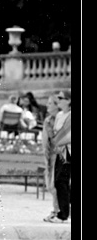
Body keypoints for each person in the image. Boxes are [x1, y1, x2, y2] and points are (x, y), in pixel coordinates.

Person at [48, 90, 71, 223]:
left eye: (61, 98)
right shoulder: (59, 115)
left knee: (62, 181)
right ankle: (63, 211)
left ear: (69, 101)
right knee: (58, 181)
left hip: (68, 151)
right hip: (60, 151)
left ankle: (63, 215)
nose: (59, 100)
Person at [41, 94, 60, 222]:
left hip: (60, 155)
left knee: (55, 185)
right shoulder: (48, 120)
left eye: (50, 103)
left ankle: (57, 210)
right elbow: (45, 141)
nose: (47, 105)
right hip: (50, 155)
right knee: (50, 184)